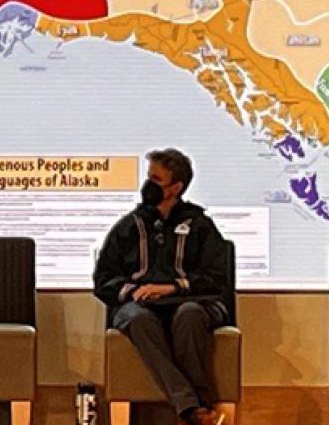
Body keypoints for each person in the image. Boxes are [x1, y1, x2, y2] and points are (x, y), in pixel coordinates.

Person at [93, 148, 230, 425]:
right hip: (139, 305)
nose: (148, 186)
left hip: (189, 302)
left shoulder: (200, 225)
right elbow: (103, 279)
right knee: (138, 318)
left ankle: (190, 408)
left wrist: (172, 288)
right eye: (148, 178)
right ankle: (195, 407)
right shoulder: (128, 226)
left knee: (189, 315)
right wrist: (133, 291)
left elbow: (216, 278)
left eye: (157, 180)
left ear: (176, 188)